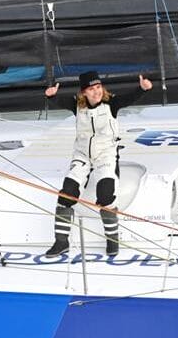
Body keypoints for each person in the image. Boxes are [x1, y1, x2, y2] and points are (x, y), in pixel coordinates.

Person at [44, 71, 153, 257]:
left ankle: (112, 240)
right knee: (67, 193)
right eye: (91, 89)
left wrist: (142, 89)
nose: (97, 92)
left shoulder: (112, 103)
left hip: (106, 155)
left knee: (105, 194)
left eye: (98, 87)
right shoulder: (77, 105)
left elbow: (130, 98)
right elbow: (57, 101)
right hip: (82, 155)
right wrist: (51, 95)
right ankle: (61, 242)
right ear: (84, 92)